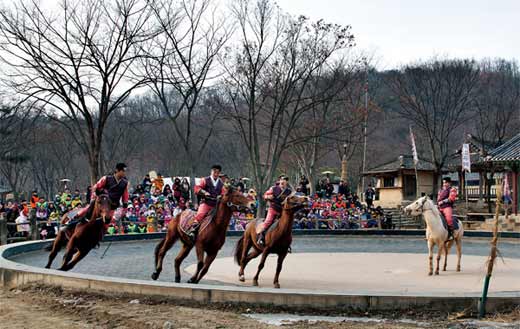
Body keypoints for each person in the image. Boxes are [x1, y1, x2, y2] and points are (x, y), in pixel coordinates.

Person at [66, 163, 129, 228]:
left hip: (112, 205)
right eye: (123, 171)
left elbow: (125, 196)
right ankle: (73, 218)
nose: (124, 173)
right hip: (102, 202)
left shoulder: (124, 183)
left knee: (109, 221)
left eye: (125, 171)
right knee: (87, 209)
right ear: (117, 170)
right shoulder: (106, 179)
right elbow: (96, 187)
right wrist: (94, 198)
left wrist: (125, 207)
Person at [187, 165, 224, 240]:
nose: (216, 174)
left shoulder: (221, 182)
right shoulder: (204, 180)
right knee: (200, 214)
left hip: (216, 205)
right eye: (214, 172)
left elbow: (223, 192)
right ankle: (193, 230)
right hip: (206, 203)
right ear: (211, 171)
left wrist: (221, 196)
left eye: (217, 172)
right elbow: (196, 188)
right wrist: (204, 192)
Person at [257, 175, 292, 246]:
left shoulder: (289, 191)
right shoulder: (273, 188)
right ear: (279, 181)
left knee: (287, 225)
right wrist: (268, 196)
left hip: (282, 211)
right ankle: (261, 238)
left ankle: (286, 242)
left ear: (286, 182)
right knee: (268, 222)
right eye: (282, 179)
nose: (283, 181)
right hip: (273, 209)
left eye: (285, 180)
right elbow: (265, 196)